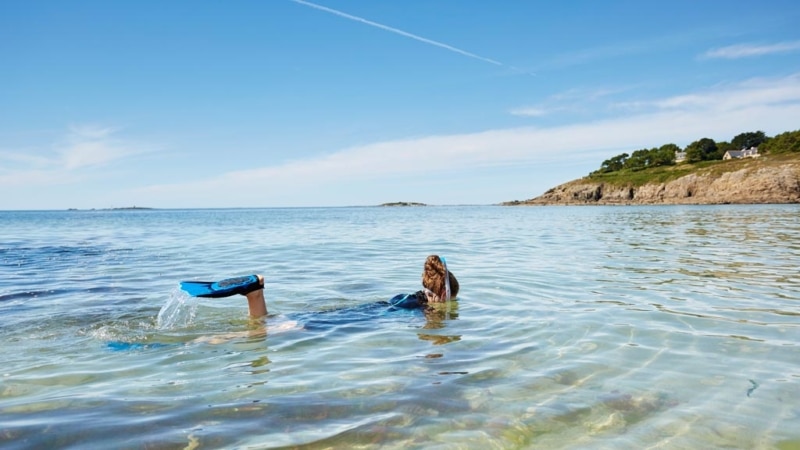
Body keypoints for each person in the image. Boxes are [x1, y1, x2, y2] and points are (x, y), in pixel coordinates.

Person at [241, 255, 459, 318]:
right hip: (354, 319)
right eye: (452, 297)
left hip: (361, 311)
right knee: (274, 330)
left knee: (270, 327)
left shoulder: (409, 297)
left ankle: (256, 294)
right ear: (442, 294)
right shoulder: (420, 308)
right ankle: (255, 295)